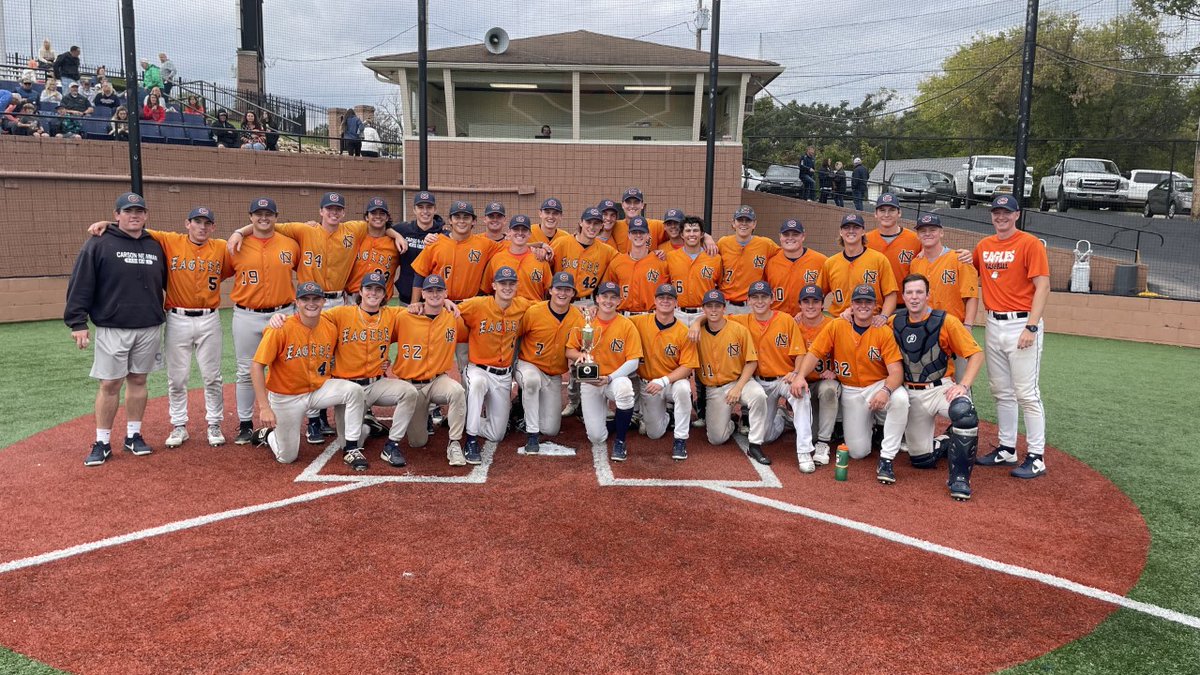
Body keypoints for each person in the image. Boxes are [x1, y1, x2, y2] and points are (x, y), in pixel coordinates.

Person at [84, 207, 232, 449]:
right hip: (177, 317)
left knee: (212, 376)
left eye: (207, 223)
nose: (202, 227)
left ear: (213, 227)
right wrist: (108, 224)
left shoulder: (221, 248)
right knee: (177, 377)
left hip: (209, 317)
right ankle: (178, 425)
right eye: (197, 222)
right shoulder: (169, 240)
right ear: (187, 223)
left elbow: (232, 265)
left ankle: (214, 423)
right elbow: (134, 227)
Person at [265, 272, 413, 470]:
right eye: (369, 288)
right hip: (349, 386)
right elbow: (309, 314)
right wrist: (279, 316)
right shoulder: (339, 314)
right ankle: (365, 427)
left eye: (378, 289)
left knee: (409, 392)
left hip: (376, 384)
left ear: (385, 293)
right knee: (293, 455)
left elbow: (417, 311)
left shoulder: (393, 315)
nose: (373, 293)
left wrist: (434, 304)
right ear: (360, 291)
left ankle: (390, 444)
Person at [65, 193, 166, 467]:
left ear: (146, 216)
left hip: (148, 325)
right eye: (128, 211)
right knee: (110, 383)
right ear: (116, 215)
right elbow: (81, 282)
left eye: (139, 211)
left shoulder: (155, 246)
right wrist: (77, 322)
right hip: (113, 326)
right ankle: (102, 441)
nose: (134, 215)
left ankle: (133, 435)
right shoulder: (99, 243)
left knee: (139, 381)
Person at [792, 284, 908, 483]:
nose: (863, 305)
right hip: (851, 390)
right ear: (851, 305)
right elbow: (815, 353)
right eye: (858, 301)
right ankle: (872, 425)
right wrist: (800, 375)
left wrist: (886, 390)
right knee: (857, 452)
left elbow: (896, 372)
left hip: (878, 384)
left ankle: (887, 457)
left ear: (875, 306)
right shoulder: (837, 325)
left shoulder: (883, 330)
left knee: (901, 399)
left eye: (868, 302)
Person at [970, 195, 1050, 479]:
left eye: (1006, 212)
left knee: (1027, 393)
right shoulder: (984, 246)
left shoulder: (1029, 243)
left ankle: (1037, 456)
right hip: (994, 323)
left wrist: (1032, 326)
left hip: (1021, 323)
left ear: (1017, 215)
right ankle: (1006, 448)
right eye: (996, 212)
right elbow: (973, 271)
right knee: (1001, 391)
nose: (1001, 217)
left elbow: (1043, 286)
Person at [249, 282, 366, 465]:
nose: (311, 303)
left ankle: (351, 447)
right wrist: (264, 408)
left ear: (323, 301)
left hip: (318, 390)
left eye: (316, 299)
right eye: (305, 299)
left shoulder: (330, 327)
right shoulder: (280, 328)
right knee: (287, 457)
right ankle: (269, 435)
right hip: (287, 397)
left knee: (354, 390)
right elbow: (257, 366)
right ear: (297, 302)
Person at [891, 274, 985, 500]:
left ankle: (960, 478)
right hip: (912, 393)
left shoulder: (946, 321)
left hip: (940, 387)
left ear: (928, 295)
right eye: (910, 293)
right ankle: (947, 441)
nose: (914, 297)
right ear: (903, 296)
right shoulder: (893, 321)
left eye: (919, 292)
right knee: (921, 460)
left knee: (965, 413)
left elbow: (976, 354)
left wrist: (964, 385)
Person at [226, 198, 301, 445]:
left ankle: (290, 418)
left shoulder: (290, 244)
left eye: (268, 213)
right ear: (250, 217)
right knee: (246, 370)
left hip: (283, 312)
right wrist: (238, 232)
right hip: (246, 314)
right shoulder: (237, 244)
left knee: (288, 366)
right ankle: (246, 423)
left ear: (276, 216)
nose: (263, 218)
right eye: (258, 214)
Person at [458, 267, 533, 464]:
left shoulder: (523, 305)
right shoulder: (477, 305)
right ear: (494, 286)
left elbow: (548, 307)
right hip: (478, 369)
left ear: (517, 286)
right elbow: (452, 308)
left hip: (503, 375)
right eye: (502, 284)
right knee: (477, 385)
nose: (507, 287)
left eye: (511, 284)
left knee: (497, 434)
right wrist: (444, 302)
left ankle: (463, 417)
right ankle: (471, 439)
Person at [392, 275, 469, 465]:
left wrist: (449, 303)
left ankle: (454, 444)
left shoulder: (453, 317)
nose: (434, 294)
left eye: (439, 291)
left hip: (437, 381)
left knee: (457, 391)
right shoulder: (404, 316)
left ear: (445, 293)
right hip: (411, 387)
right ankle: (423, 416)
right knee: (418, 442)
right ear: (423, 294)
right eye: (430, 291)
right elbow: (379, 332)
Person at [565, 281, 643, 462]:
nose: (608, 301)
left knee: (625, 388)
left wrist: (609, 378)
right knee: (596, 438)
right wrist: (581, 355)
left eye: (613, 297)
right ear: (597, 299)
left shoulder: (626, 325)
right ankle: (618, 422)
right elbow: (569, 350)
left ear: (619, 301)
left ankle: (620, 441)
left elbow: (634, 361)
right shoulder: (585, 321)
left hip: (613, 379)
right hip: (590, 380)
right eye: (604, 296)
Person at [691, 289, 771, 464]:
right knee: (716, 439)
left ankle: (756, 444)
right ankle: (732, 423)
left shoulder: (738, 330)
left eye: (717, 306)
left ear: (724, 308)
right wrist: (696, 322)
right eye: (709, 306)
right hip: (715, 390)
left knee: (758, 395)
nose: (713, 310)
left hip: (740, 381)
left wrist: (738, 387)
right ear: (703, 309)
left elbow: (751, 361)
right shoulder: (696, 333)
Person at [514, 272, 585, 454]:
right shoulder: (535, 311)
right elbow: (515, 337)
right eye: (559, 289)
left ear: (573, 293)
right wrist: (510, 366)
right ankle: (531, 434)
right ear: (551, 290)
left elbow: (579, 347)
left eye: (567, 290)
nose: (562, 293)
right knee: (530, 382)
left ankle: (518, 414)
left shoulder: (578, 317)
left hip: (553, 374)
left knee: (550, 429)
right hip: (529, 365)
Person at [630, 284, 697, 460]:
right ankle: (668, 415)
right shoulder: (639, 322)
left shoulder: (684, 331)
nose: (665, 301)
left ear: (676, 302)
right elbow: (615, 320)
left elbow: (688, 366)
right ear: (655, 301)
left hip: (672, 382)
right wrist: (592, 310)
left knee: (683, 389)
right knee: (653, 433)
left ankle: (681, 439)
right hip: (649, 384)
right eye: (661, 298)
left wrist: (665, 380)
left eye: (669, 298)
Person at [909, 213, 980, 378]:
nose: (928, 233)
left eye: (932, 229)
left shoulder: (960, 259)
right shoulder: (915, 263)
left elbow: (971, 297)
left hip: (954, 329)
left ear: (941, 232)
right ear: (918, 235)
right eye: (923, 230)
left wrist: (968, 326)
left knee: (961, 382)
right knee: (931, 380)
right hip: (925, 331)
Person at [410, 200, 504, 307]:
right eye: (457, 217)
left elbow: (512, 248)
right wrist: (415, 303)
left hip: (469, 305)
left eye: (466, 217)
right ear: (450, 220)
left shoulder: (485, 244)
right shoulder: (435, 242)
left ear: (474, 221)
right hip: (440, 304)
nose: (461, 221)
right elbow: (420, 274)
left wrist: (521, 241)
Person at [817, 212, 898, 324]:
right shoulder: (830, 263)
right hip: (840, 321)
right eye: (846, 227)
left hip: (871, 321)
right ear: (841, 232)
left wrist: (883, 316)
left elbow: (891, 294)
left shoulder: (879, 259)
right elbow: (817, 294)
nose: (851, 231)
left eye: (856, 227)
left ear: (863, 231)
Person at [794, 285, 839, 465]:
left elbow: (847, 351)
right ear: (800, 305)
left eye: (815, 301)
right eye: (806, 301)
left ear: (822, 304)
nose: (811, 306)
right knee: (808, 436)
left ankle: (824, 442)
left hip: (822, 383)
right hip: (802, 385)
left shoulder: (833, 325)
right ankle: (788, 417)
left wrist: (835, 370)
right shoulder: (793, 324)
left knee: (829, 389)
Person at [717, 205, 780, 315]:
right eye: (740, 220)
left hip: (752, 305)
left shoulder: (766, 244)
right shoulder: (723, 243)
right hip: (726, 304)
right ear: (733, 223)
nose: (744, 223)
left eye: (748, 220)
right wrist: (706, 238)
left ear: (754, 224)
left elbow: (784, 256)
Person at [604, 216, 670, 316]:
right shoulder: (617, 262)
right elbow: (607, 290)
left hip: (651, 317)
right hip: (624, 317)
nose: (638, 235)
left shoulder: (660, 262)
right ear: (629, 235)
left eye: (642, 232)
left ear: (648, 235)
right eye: (634, 232)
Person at [390, 191, 446, 305]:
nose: (425, 211)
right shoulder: (403, 229)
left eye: (429, 207)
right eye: (420, 207)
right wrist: (397, 236)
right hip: (406, 298)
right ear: (414, 210)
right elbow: (384, 228)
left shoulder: (442, 234)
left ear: (435, 209)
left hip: (433, 299)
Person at [665, 216, 722, 326]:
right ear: (682, 234)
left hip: (704, 313)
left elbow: (720, 286)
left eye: (695, 230)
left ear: (702, 234)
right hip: (677, 312)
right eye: (688, 231)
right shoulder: (671, 257)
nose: (691, 234)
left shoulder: (714, 258)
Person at [764, 218, 826, 318]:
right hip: (777, 320)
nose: (790, 238)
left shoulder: (820, 261)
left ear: (803, 236)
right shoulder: (770, 262)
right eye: (786, 234)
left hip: (807, 320)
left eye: (795, 234)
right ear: (780, 237)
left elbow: (833, 287)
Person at [345, 197, 402, 304]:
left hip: (380, 299)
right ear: (367, 217)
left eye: (382, 213)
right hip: (352, 297)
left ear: (387, 217)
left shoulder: (395, 244)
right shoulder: (356, 237)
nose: (378, 216)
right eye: (374, 213)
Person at [482, 214, 552, 301]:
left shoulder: (540, 259)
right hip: (505, 312)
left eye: (524, 230)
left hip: (532, 312)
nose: (520, 233)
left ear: (529, 234)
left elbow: (550, 292)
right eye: (516, 229)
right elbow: (486, 290)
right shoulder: (497, 258)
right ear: (509, 232)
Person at [865, 192, 923, 289]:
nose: (887, 214)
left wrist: (956, 255)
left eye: (892, 210)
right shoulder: (865, 240)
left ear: (899, 213)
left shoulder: (915, 239)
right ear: (875, 214)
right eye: (882, 210)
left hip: (906, 301)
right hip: (873, 301)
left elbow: (936, 256)